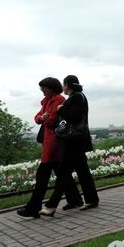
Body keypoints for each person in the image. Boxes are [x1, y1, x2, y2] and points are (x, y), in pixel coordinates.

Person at [17, 77, 83, 218]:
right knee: (61, 174)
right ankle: (75, 199)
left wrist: (45, 118)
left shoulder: (58, 100)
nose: (41, 90)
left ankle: (33, 208)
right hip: (49, 142)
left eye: (43, 88)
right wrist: (42, 118)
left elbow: (53, 120)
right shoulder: (47, 101)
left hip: (55, 143)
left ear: (51, 87)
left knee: (42, 176)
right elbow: (37, 117)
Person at [40, 75, 99, 216]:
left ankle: (51, 206)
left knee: (63, 173)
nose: (63, 87)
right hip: (77, 141)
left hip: (73, 142)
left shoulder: (77, 97)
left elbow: (75, 116)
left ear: (67, 85)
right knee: (83, 172)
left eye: (64, 84)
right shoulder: (78, 96)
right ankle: (92, 199)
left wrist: (61, 109)